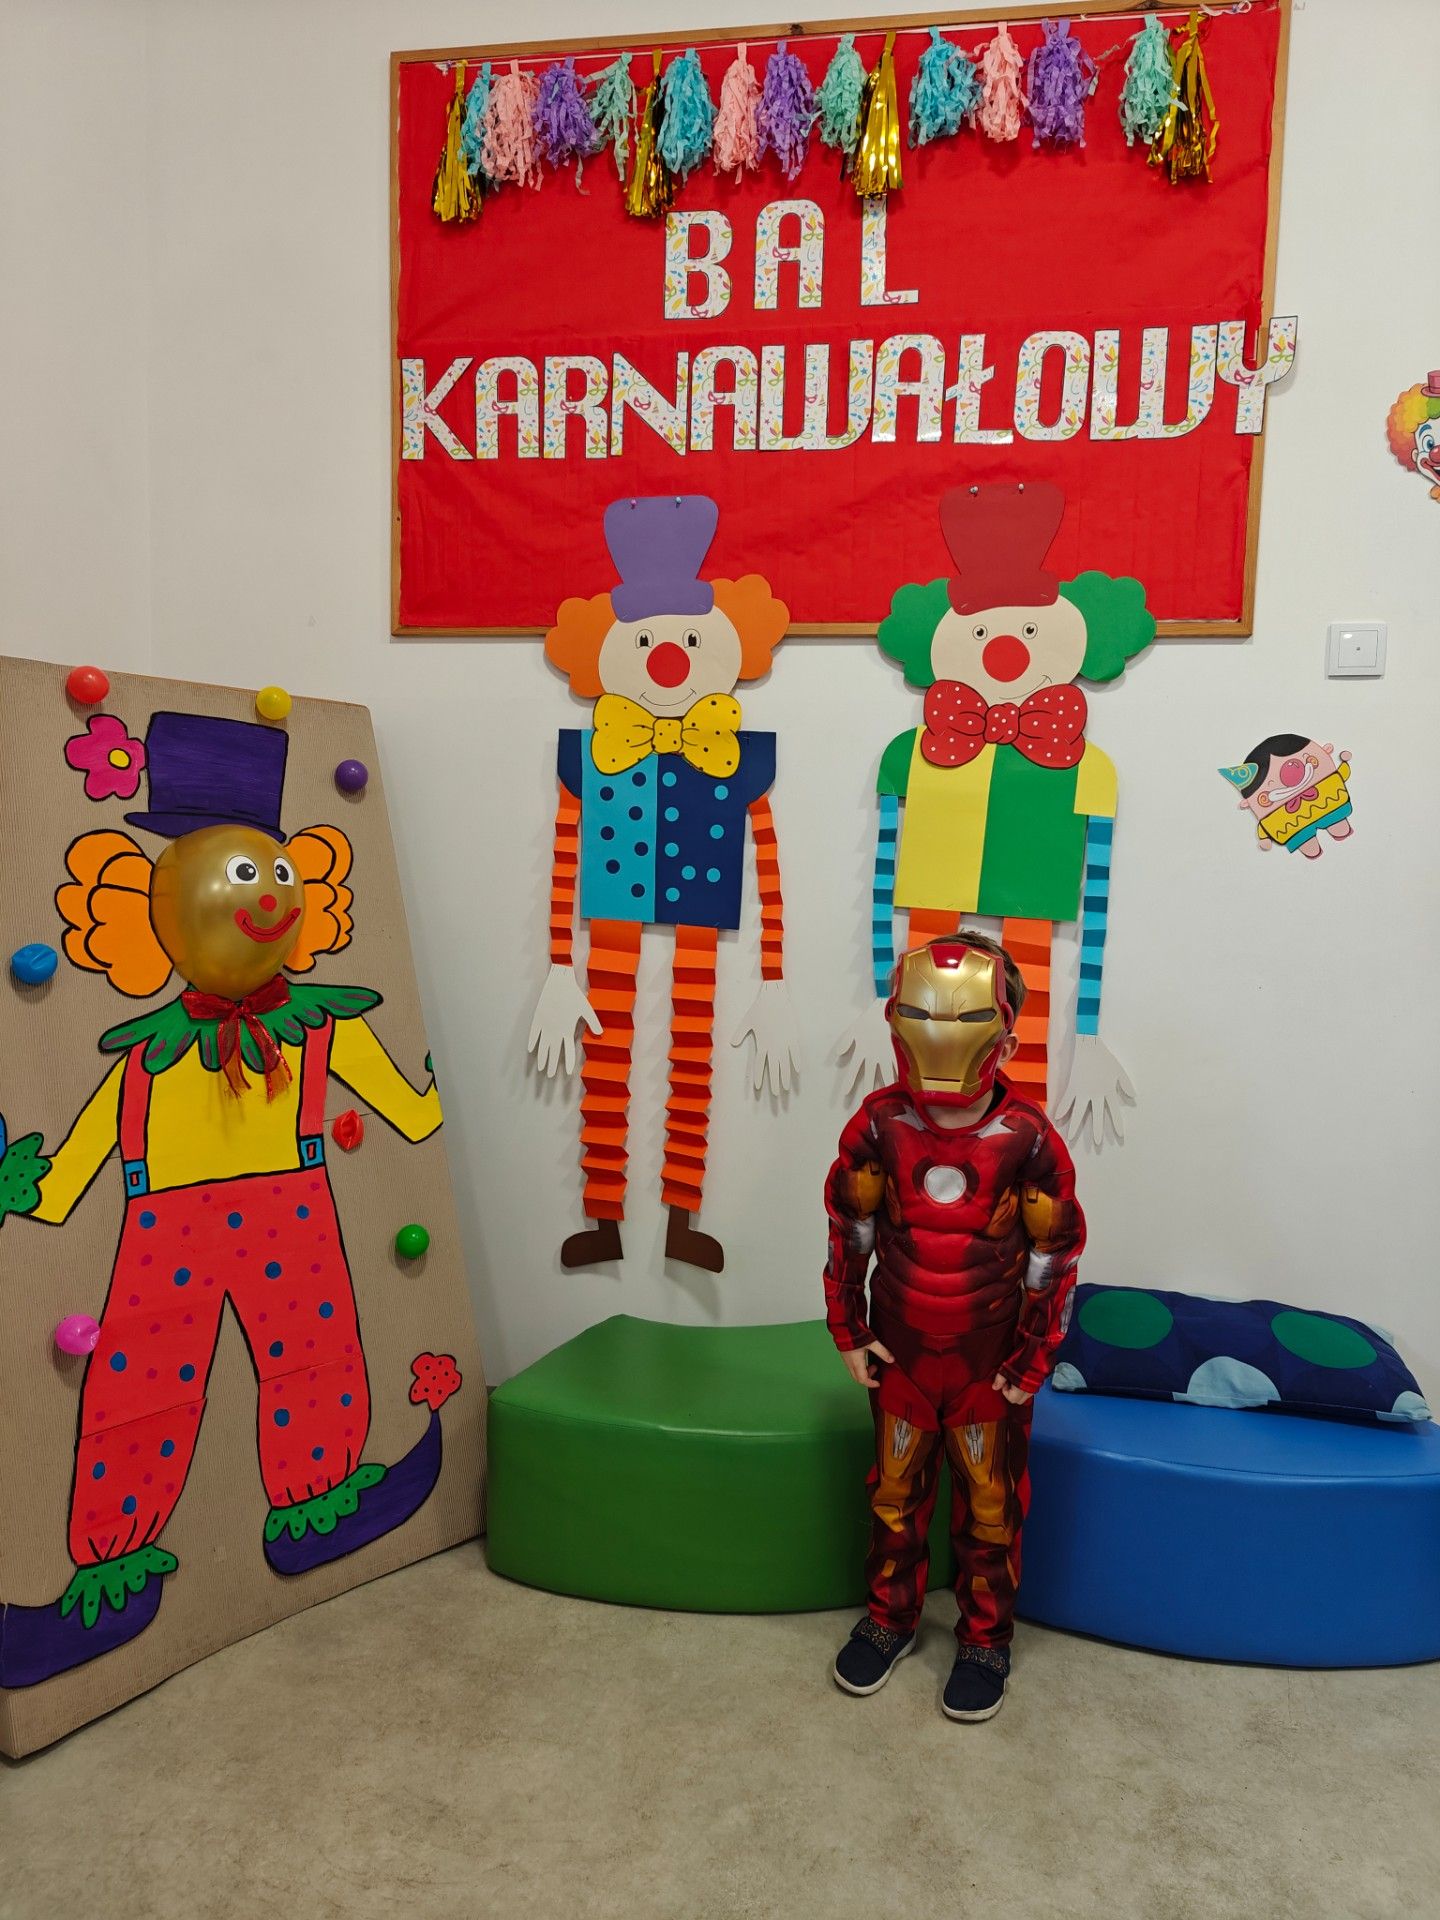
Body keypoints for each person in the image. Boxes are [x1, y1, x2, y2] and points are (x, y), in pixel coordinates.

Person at [823, 931, 1084, 1721]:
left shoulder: (1029, 1138)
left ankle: (984, 1639)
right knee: (893, 1498)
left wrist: (1031, 1360)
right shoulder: (879, 1124)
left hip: (988, 1360)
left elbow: (1054, 1256)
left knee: (991, 1510)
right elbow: (850, 1232)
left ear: (1004, 1039)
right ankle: (891, 1619)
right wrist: (848, 1328)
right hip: (902, 1352)